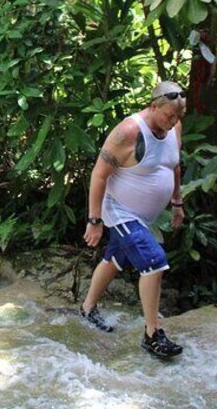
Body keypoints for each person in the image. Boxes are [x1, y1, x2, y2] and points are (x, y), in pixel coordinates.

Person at [79, 81, 186, 358]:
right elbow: (99, 174)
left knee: (115, 258)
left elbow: (174, 165)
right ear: (153, 106)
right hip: (119, 210)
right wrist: (95, 220)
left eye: (178, 116)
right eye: (168, 116)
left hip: (143, 215)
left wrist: (177, 202)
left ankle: (87, 308)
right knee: (154, 261)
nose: (173, 121)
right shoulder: (128, 132)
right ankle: (152, 334)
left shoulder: (174, 127)